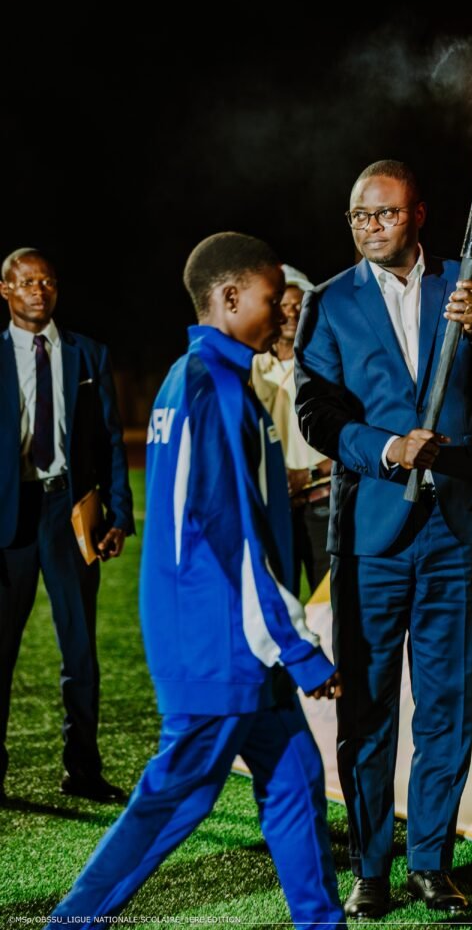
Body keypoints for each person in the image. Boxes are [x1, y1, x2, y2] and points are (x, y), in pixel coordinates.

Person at [47, 233, 345, 929]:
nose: (282, 315)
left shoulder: (207, 378)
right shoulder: (213, 389)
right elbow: (229, 536)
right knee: (176, 799)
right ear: (231, 296)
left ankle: (320, 921)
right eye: (273, 301)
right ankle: (71, 922)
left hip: (236, 639)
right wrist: (299, 650)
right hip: (220, 641)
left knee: (297, 781)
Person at [294, 160, 472, 917]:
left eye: (385, 214)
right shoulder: (330, 304)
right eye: (359, 215)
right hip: (372, 532)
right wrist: (384, 448)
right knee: (367, 707)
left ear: (419, 216)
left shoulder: (468, 283)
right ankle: (370, 866)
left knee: (446, 706)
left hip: (455, 528)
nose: (370, 226)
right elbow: (317, 413)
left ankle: (430, 861)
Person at [0, 247, 134, 804]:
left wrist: (119, 515)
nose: (39, 290)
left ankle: (82, 768)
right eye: (27, 281)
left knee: (79, 651)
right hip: (9, 517)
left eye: (48, 281)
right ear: (5, 289)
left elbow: (109, 440)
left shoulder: (87, 354)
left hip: (67, 512)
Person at [252, 264, 332, 594]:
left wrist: (307, 474)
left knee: (326, 601)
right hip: (274, 505)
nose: (291, 313)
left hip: (322, 501)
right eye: (283, 306)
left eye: (299, 305)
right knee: (278, 600)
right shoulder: (252, 366)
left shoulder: (328, 364)